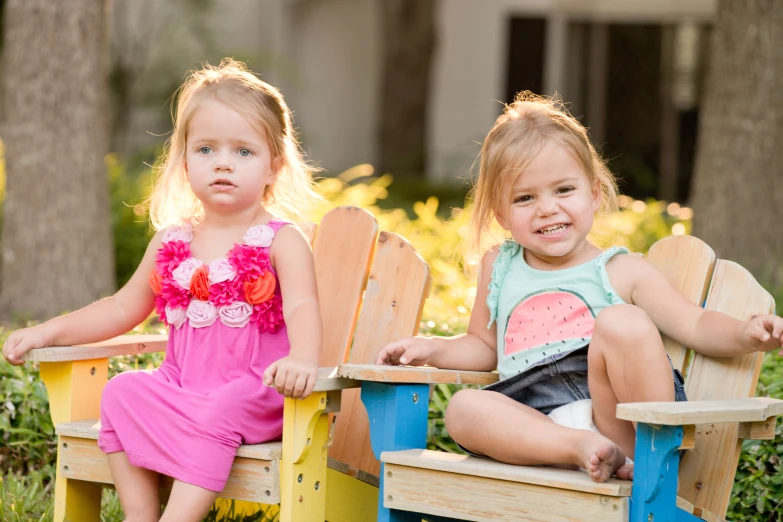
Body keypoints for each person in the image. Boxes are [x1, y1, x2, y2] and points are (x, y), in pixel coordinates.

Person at [375, 92, 783, 484]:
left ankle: (627, 455)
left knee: (623, 321)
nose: (547, 207)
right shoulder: (499, 265)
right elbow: (484, 348)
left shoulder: (623, 270)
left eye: (564, 190)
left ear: (594, 192)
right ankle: (578, 448)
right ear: (501, 214)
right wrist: (433, 348)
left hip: (617, 419)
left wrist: (745, 333)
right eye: (525, 198)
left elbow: (694, 325)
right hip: (534, 421)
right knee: (464, 408)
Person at [2, 59, 323, 521]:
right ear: (184, 158)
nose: (223, 164)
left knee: (223, 407)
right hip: (183, 387)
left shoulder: (280, 239)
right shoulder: (173, 240)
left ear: (274, 166)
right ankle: (140, 513)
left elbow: (303, 304)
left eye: (244, 152)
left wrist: (303, 359)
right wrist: (48, 332)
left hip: (256, 393)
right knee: (121, 391)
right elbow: (121, 307)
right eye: (206, 149)